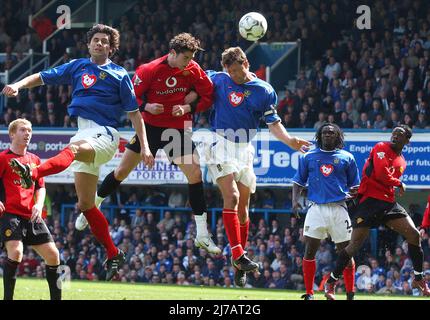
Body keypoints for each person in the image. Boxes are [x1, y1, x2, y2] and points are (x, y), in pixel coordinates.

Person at [2, 24, 154, 281]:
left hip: (105, 133)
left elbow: (135, 114)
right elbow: (42, 76)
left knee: (71, 150)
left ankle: (34, 171)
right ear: (89, 44)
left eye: (105, 41)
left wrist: (145, 146)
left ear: (111, 47)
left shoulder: (119, 75)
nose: (99, 44)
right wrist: (18, 84)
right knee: (85, 203)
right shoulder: (77, 66)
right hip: (82, 132)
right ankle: (113, 252)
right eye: (95, 40)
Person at [74, 32, 220, 255]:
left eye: (191, 58)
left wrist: (188, 107)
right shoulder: (149, 70)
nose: (189, 63)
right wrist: (147, 106)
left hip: (176, 129)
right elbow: (131, 99)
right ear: (172, 53)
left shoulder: (193, 70)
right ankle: (91, 207)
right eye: (185, 58)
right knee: (122, 171)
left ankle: (202, 234)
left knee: (195, 174)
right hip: (149, 127)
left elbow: (208, 95)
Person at [205, 47, 311, 287]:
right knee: (230, 197)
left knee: (244, 210)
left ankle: (238, 261)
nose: (233, 75)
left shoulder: (264, 91)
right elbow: (192, 75)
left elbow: (273, 124)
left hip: (244, 149)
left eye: (237, 70)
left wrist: (290, 141)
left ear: (247, 63)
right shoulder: (218, 79)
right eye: (229, 70)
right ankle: (238, 255)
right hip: (219, 143)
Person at [325, 125, 430, 299]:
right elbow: (381, 174)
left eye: (400, 134)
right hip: (369, 202)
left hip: (389, 204)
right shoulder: (381, 147)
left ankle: (418, 278)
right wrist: (399, 183)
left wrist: (395, 183)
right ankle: (331, 282)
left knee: (414, 235)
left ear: (407, 141)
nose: (395, 136)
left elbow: (385, 178)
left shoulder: (402, 160)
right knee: (354, 246)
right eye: (394, 133)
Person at [292, 123, 360, 300]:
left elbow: (356, 186)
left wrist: (356, 193)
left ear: (337, 136)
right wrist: (294, 201)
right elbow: (298, 181)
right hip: (316, 208)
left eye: (331, 133)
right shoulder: (308, 156)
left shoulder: (347, 157)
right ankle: (309, 293)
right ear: (319, 136)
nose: (327, 135)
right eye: (324, 133)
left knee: (346, 252)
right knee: (309, 251)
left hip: (339, 208)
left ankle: (350, 293)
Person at [0, 119, 61, 300]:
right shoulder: (3, 158)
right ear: (12, 134)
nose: (27, 133)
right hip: (10, 214)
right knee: (17, 252)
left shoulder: (34, 160)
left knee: (53, 255)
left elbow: (40, 186)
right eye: (23, 130)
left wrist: (39, 204)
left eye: (30, 130)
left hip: (31, 215)